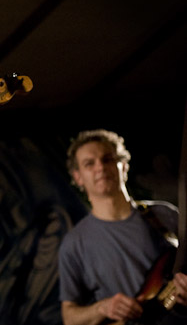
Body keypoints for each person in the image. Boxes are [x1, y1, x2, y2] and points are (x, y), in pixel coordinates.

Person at [58, 129, 187, 325]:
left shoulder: (164, 214)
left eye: (108, 159)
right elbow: (69, 317)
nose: (100, 167)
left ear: (124, 166)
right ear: (78, 177)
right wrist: (102, 307)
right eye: (89, 163)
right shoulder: (73, 243)